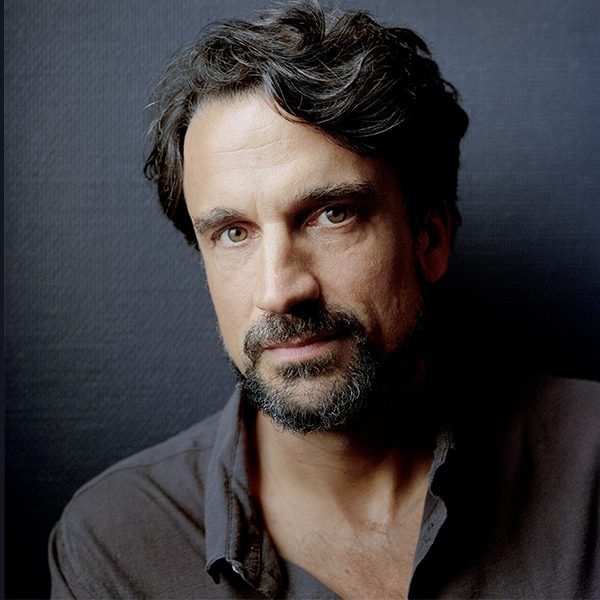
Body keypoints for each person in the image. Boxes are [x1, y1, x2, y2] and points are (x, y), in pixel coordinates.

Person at [48, 1, 599, 598]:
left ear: (430, 238)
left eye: (333, 215)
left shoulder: (590, 468)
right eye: (233, 233)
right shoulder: (116, 545)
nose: (280, 291)